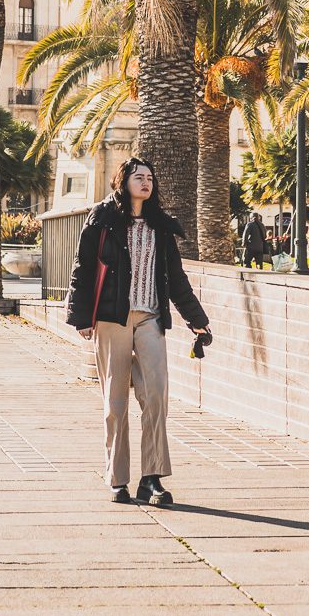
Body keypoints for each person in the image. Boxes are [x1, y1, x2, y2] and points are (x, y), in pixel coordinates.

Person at [66, 157, 211, 508]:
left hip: (150, 318)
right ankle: (118, 479)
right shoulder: (103, 219)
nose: (145, 182)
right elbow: (83, 268)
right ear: (124, 181)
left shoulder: (161, 226)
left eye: (149, 178)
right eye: (138, 177)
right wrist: (81, 315)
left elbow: (175, 278)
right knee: (115, 403)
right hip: (111, 318)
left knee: (156, 396)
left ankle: (152, 479)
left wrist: (196, 319)